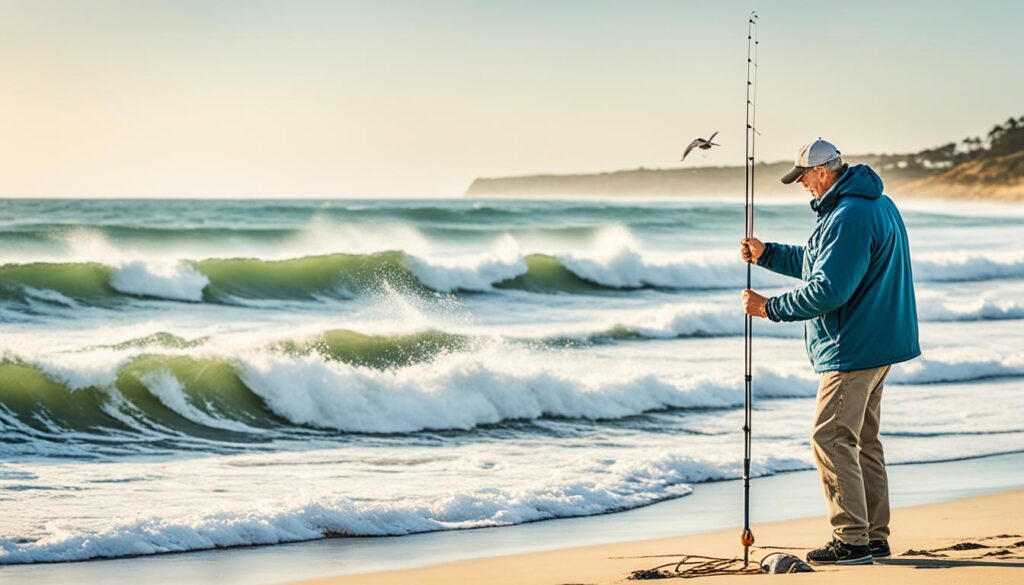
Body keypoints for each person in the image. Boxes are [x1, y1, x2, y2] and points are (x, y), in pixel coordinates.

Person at [740, 139, 921, 566]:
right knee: (862, 441)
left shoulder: (849, 215)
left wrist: (769, 308)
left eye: (803, 176)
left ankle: (852, 540)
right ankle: (874, 536)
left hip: (853, 346)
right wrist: (770, 255)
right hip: (878, 343)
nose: (802, 184)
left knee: (831, 437)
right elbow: (824, 262)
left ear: (822, 172)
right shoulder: (873, 205)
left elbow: (829, 289)